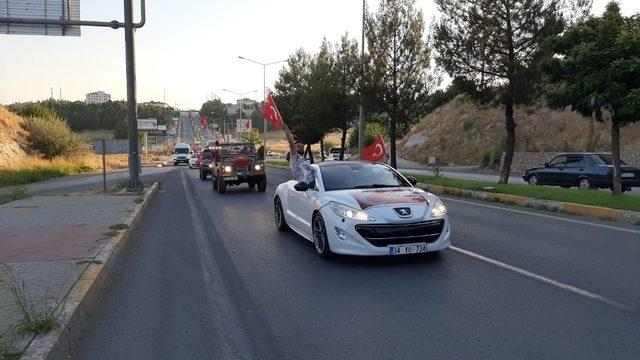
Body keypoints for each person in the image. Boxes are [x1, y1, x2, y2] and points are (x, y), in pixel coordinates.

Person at [282, 123, 315, 187]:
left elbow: (306, 171)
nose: (301, 147)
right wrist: (287, 132)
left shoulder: (302, 159)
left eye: (302, 147)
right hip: (306, 186)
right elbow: (292, 145)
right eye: (298, 146)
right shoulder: (295, 157)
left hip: (314, 184)